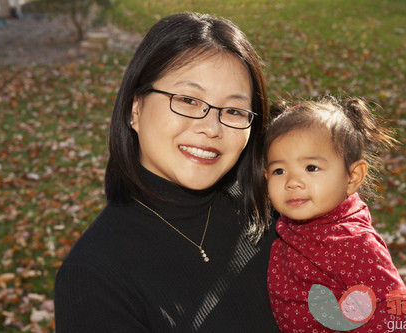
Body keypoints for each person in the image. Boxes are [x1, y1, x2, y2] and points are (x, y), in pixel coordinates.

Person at [54, 12, 279, 332]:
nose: (211, 128)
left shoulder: (275, 210)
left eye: (233, 110)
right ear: (135, 109)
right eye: (188, 100)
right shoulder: (93, 277)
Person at [258, 97, 406, 332]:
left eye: (311, 168)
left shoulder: (350, 241)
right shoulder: (291, 223)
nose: (292, 182)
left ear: (352, 177)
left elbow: (396, 308)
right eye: (279, 170)